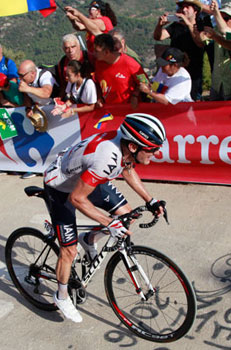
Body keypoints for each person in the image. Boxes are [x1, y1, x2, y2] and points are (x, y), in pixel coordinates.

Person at [43, 113, 166, 323]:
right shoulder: (106, 159)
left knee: (127, 215)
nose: (157, 153)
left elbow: (127, 168)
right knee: (69, 251)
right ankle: (61, 296)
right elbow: (77, 198)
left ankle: (89, 239)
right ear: (134, 147)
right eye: (153, 149)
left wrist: (150, 200)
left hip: (87, 177)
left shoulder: (124, 147)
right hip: (61, 188)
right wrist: (109, 223)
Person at [153, 0, 205, 100]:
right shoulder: (176, 26)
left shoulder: (201, 26)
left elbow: (200, 42)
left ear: (195, 11)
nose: (184, 10)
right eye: (182, 7)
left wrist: (188, 24)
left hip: (193, 72)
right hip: (172, 69)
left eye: (187, 7)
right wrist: (159, 25)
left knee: (191, 100)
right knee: (170, 97)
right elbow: (158, 37)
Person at [18, 60, 59, 179]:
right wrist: (27, 108)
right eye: (18, 75)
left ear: (32, 73)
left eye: (22, 76)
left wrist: (27, 88)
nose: (20, 78)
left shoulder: (44, 75)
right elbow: (26, 95)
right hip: (41, 113)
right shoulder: (27, 81)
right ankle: (38, 167)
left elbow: (46, 93)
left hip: (56, 110)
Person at [94, 33, 149, 108]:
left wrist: (135, 95)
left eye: (96, 51)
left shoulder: (130, 63)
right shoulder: (98, 64)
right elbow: (97, 82)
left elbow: (145, 82)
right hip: (109, 110)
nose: (93, 53)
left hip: (129, 109)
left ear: (106, 52)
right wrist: (99, 97)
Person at [203, 1, 231, 101]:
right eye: (220, 18)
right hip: (216, 83)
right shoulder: (216, 30)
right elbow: (202, 40)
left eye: (225, 18)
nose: (222, 21)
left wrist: (215, 37)